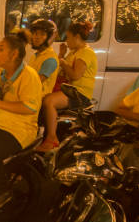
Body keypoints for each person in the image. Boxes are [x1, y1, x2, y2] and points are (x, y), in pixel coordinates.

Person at [0, 30, 42, 209]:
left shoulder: (29, 76)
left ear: (14, 54)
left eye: (1, 49)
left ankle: (0, 193)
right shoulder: (2, 74)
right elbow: (0, 95)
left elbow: (30, 107)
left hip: (20, 130)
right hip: (1, 123)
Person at [37, 21, 97, 152]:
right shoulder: (74, 52)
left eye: (68, 37)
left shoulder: (86, 53)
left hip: (79, 94)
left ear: (76, 37)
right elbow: (62, 69)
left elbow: (75, 75)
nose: (67, 41)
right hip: (69, 91)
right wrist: (62, 55)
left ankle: (52, 139)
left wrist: (63, 62)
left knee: (49, 101)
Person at [28, 19, 59, 96]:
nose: (37, 37)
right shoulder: (36, 55)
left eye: (42, 34)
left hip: (38, 98)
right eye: (35, 33)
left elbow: (36, 82)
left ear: (49, 37)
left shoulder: (50, 59)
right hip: (29, 95)